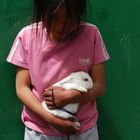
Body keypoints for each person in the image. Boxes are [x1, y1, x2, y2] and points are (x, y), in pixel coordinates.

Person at [7, 0, 110, 139]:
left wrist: (69, 97)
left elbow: (99, 87)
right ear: (43, 12)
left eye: (69, 18)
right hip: (40, 131)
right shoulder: (27, 36)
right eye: (54, 17)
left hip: (83, 130)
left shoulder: (91, 34)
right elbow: (21, 88)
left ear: (78, 15)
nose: (61, 26)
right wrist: (51, 120)